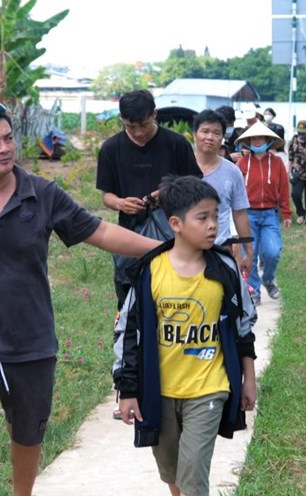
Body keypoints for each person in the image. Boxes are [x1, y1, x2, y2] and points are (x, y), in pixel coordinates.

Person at [0, 96, 161, 496]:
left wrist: (161, 249)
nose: (6, 148)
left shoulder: (41, 194)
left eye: (9, 138)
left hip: (31, 342)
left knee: (26, 439)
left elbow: (99, 232)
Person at [115, 175, 257, 496]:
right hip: (160, 391)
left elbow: (243, 327)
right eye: (202, 217)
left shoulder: (224, 269)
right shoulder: (151, 270)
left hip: (209, 389)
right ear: (176, 223)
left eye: (215, 216)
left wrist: (248, 378)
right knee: (173, 474)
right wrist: (127, 390)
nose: (212, 226)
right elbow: (128, 333)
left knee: (193, 476)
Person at [96, 89, 201, 310]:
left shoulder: (176, 144)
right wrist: (120, 203)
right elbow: (107, 196)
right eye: (130, 126)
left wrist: (166, 192)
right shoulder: (111, 148)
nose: (138, 132)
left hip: (174, 232)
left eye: (142, 125)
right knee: (130, 297)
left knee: (174, 294)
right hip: (129, 231)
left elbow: (195, 186)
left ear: (154, 114)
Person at [235, 122, 292, 305]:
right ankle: (254, 290)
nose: (257, 140)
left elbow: (284, 189)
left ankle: (268, 279)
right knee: (248, 255)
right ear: (248, 141)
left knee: (272, 252)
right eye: (253, 138)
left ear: (268, 140)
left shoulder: (276, 163)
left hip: (269, 214)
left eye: (260, 138)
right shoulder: (242, 163)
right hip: (247, 214)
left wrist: (287, 213)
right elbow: (235, 191)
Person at [192, 109, 254, 273]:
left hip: (220, 248)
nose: (210, 137)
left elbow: (240, 213)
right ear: (194, 134)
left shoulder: (233, 172)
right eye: (205, 131)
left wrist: (248, 250)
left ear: (222, 138)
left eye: (216, 133)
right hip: (187, 250)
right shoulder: (181, 167)